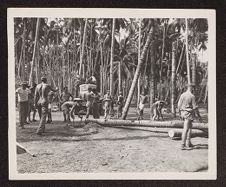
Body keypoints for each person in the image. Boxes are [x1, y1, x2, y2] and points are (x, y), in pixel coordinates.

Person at [178, 83, 202, 150]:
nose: (194, 90)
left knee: (190, 128)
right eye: (194, 88)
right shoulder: (192, 96)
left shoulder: (182, 95)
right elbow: (195, 108)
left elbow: (178, 105)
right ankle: (183, 145)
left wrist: (180, 113)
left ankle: (188, 143)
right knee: (186, 129)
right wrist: (199, 116)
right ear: (191, 88)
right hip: (188, 114)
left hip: (184, 113)